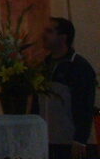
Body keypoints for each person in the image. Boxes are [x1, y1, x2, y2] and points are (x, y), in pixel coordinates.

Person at [35, 17, 97, 159]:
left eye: (49, 31)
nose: (43, 35)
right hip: (48, 140)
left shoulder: (79, 66)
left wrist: (80, 139)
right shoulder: (43, 66)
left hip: (71, 142)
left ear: (63, 37)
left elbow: (85, 106)